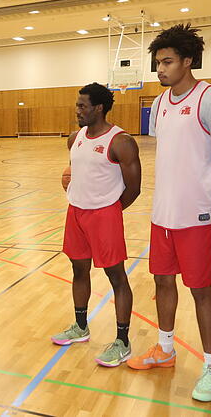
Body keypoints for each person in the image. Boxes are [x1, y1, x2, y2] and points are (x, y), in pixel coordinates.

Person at [126, 24, 211, 403]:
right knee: (162, 283)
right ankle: (166, 347)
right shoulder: (158, 104)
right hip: (163, 216)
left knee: (202, 291)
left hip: (197, 219)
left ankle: (210, 366)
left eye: (168, 61)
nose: (160, 69)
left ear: (188, 61)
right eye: (158, 62)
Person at [51, 83, 141, 367]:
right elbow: (77, 172)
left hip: (104, 216)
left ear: (99, 108)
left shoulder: (120, 141)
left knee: (116, 277)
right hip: (75, 212)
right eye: (77, 105)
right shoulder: (75, 137)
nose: (77, 110)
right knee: (79, 269)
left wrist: (110, 210)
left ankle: (122, 342)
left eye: (82, 106)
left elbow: (134, 188)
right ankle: (80, 327)